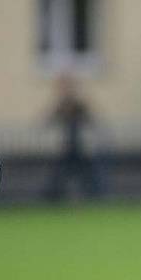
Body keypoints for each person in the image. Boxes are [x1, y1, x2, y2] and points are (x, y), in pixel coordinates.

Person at [44, 73, 103, 201]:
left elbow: (90, 119)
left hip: (78, 146)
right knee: (60, 174)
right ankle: (53, 196)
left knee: (86, 173)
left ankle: (95, 194)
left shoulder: (77, 105)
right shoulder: (63, 105)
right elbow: (50, 119)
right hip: (68, 147)